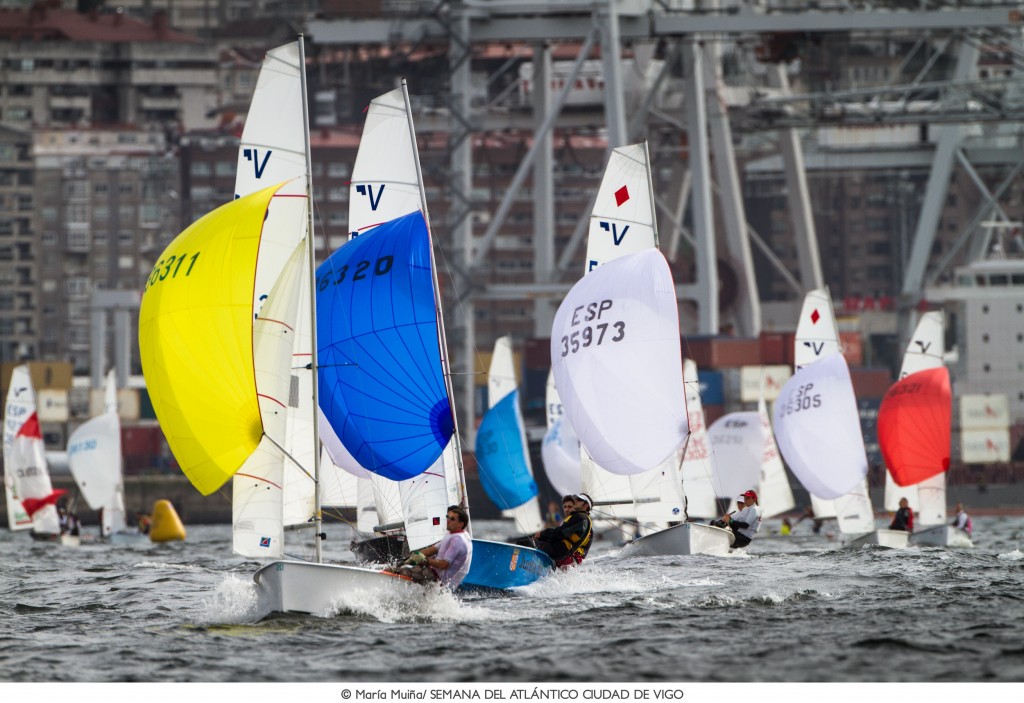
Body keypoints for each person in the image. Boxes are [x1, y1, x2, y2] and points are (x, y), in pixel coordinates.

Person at [391, 505, 473, 590]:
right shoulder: (452, 534)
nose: (448, 521)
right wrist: (414, 557)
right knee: (401, 567)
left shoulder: (458, 540)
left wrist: (425, 560)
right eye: (447, 517)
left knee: (396, 571)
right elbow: (432, 550)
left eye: (452, 519)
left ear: (461, 524)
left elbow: (444, 564)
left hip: (437, 578)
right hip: (432, 572)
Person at [533, 493, 593, 567]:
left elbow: (560, 533)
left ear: (586, 505)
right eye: (565, 507)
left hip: (561, 551)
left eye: (579, 500)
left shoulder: (581, 518)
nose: (576, 501)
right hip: (564, 552)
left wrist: (542, 534)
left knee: (528, 543)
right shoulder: (583, 519)